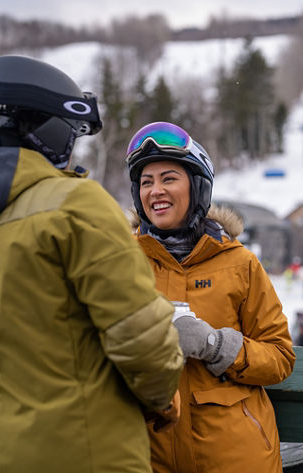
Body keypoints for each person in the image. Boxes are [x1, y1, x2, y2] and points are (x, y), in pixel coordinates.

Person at [0, 57, 184, 473]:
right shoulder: (75, 204)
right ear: (48, 130)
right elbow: (140, 336)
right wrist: (162, 397)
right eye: (71, 134)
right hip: (88, 456)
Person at [125, 121, 296, 473]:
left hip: (234, 457)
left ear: (197, 185)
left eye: (169, 178)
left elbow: (280, 357)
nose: (155, 191)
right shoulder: (120, 264)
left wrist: (216, 345)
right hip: (148, 456)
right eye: (146, 182)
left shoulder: (239, 263)